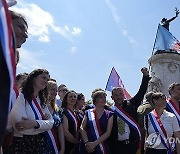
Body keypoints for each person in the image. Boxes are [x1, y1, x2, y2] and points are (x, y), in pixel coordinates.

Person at [7, 69, 56, 153]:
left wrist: (34, 123)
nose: (46, 81)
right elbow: (20, 126)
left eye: (47, 80)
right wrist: (43, 124)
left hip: (37, 144)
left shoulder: (41, 101)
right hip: (21, 143)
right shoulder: (21, 96)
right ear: (33, 78)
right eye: (43, 78)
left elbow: (51, 123)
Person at [109, 67, 150, 154]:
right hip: (117, 147)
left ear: (124, 95)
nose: (119, 97)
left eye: (120, 94)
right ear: (112, 98)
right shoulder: (110, 110)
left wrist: (145, 76)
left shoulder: (131, 104)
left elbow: (141, 92)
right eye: (116, 95)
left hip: (132, 145)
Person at [80, 89, 113, 154]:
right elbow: (82, 128)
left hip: (101, 146)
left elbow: (108, 132)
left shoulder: (110, 114)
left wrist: (94, 144)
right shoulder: (88, 112)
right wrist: (87, 143)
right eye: (101, 97)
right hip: (87, 146)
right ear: (95, 99)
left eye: (104, 97)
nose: (103, 99)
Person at [47, 80, 65, 154]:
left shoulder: (58, 109)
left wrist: (62, 148)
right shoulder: (38, 106)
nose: (55, 92)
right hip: (38, 145)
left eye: (56, 90)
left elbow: (60, 130)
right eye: (52, 89)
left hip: (54, 145)